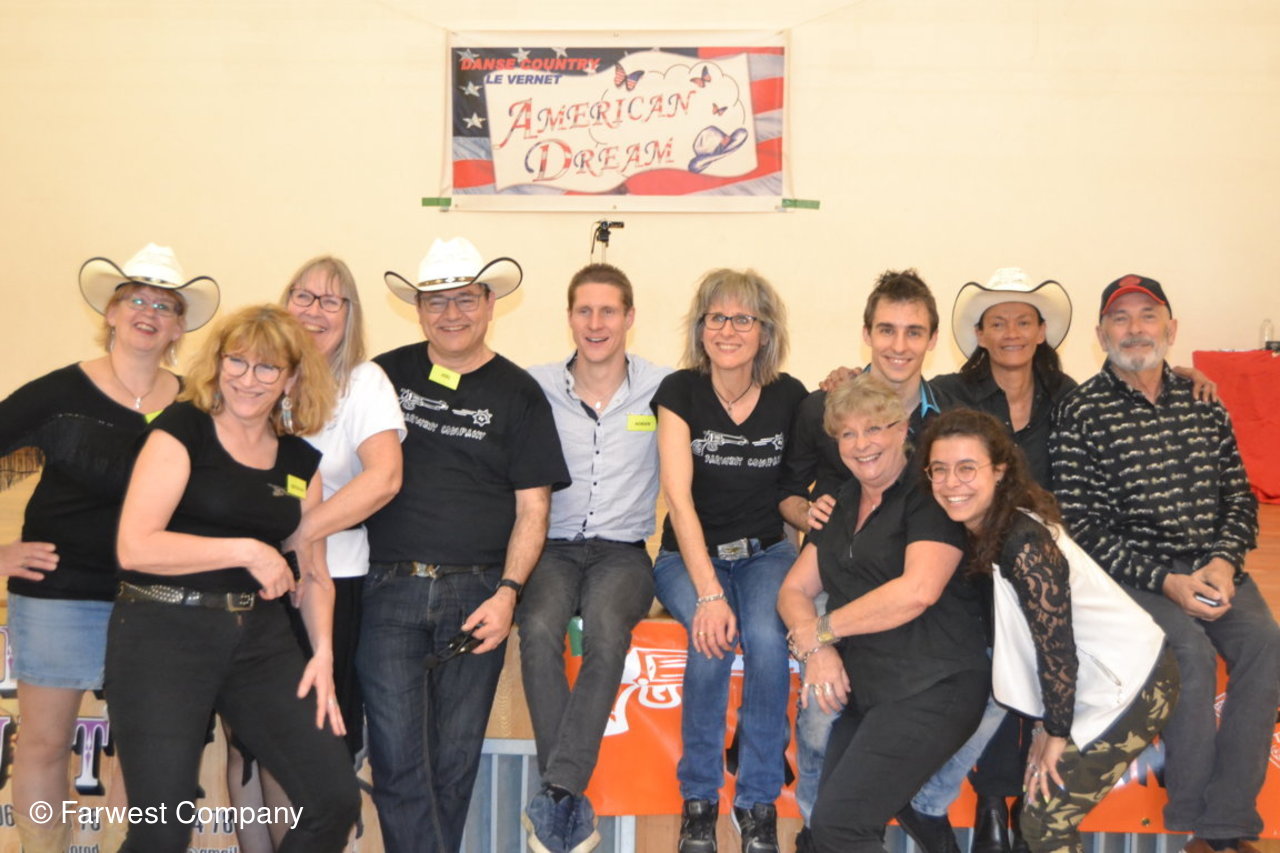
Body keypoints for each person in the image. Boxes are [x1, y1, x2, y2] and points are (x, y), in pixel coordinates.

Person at [107, 304, 360, 853]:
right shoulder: (182, 429)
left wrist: (322, 654)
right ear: (218, 364)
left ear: (291, 378)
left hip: (261, 643)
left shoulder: (300, 464)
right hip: (162, 633)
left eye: (267, 367)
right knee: (162, 830)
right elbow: (135, 545)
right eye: (237, 362)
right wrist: (246, 550)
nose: (249, 379)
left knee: (334, 802)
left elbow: (314, 574)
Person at [0, 242, 218, 852]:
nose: (149, 313)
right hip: (59, 594)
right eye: (136, 300)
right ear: (112, 313)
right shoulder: (57, 392)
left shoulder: (198, 406)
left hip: (159, 601)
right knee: (44, 743)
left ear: (179, 327)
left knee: (145, 756)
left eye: (165, 306)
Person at [1051, 275, 1280, 853]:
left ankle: (1228, 820)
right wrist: (1166, 582)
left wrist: (1224, 561)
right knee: (1191, 656)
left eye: (1147, 315)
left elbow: (1239, 497)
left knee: (1267, 643)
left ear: (1170, 328)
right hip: (1134, 576)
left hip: (1212, 566)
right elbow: (1082, 526)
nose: (1135, 329)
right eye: (1120, 318)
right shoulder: (1080, 411)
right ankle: (1193, 817)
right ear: (1101, 333)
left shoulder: (1204, 402)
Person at [360, 237, 570, 852]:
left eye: (465, 299)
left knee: (454, 765)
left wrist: (508, 594)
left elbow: (534, 508)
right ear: (418, 309)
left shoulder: (519, 393)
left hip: (478, 595)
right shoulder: (382, 375)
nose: (451, 313)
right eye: (436, 301)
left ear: (489, 304)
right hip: (388, 590)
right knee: (397, 762)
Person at [920, 408, 1179, 853]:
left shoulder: (1024, 543)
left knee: (1043, 823)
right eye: (939, 470)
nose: (950, 482)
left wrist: (1054, 731)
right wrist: (1046, 724)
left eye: (967, 468)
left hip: (1133, 684)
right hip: (1092, 682)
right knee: (1040, 817)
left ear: (999, 471)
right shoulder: (992, 526)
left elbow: (1056, 649)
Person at [226, 256, 408, 852]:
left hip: (332, 585)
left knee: (301, 747)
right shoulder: (255, 377)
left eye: (331, 300)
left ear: (351, 315)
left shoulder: (364, 383)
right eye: (303, 296)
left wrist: (296, 535)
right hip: (243, 585)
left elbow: (383, 479)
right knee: (246, 747)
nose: (314, 310)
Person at [777, 375, 989, 853]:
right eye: (848, 433)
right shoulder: (842, 500)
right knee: (829, 827)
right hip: (871, 691)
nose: (861, 444)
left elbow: (917, 591)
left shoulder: (929, 494)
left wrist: (822, 630)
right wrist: (816, 648)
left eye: (874, 428)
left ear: (902, 430)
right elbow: (793, 589)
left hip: (934, 686)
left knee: (840, 827)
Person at [776, 268, 951, 839]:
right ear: (866, 334)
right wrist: (810, 513)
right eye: (886, 330)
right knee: (822, 709)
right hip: (839, 572)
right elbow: (787, 494)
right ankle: (817, 830)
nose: (899, 345)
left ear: (932, 338)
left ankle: (913, 804)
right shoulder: (823, 404)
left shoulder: (950, 414)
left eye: (913, 332)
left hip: (921, 583)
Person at [651, 268, 806, 853]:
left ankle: (757, 802)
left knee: (766, 640)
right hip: (687, 558)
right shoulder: (679, 392)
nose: (729, 329)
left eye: (744, 318)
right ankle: (698, 800)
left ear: (765, 331)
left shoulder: (791, 396)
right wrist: (710, 594)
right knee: (710, 640)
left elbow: (800, 482)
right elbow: (678, 498)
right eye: (717, 317)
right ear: (701, 328)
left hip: (767, 554)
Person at [520, 263, 668, 853]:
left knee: (608, 630)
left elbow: (739, 385)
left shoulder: (665, 388)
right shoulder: (533, 387)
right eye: (584, 310)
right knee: (537, 629)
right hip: (551, 548)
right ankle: (567, 798)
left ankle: (556, 791)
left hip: (623, 554)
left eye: (608, 310)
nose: (596, 322)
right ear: (569, 318)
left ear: (630, 317)